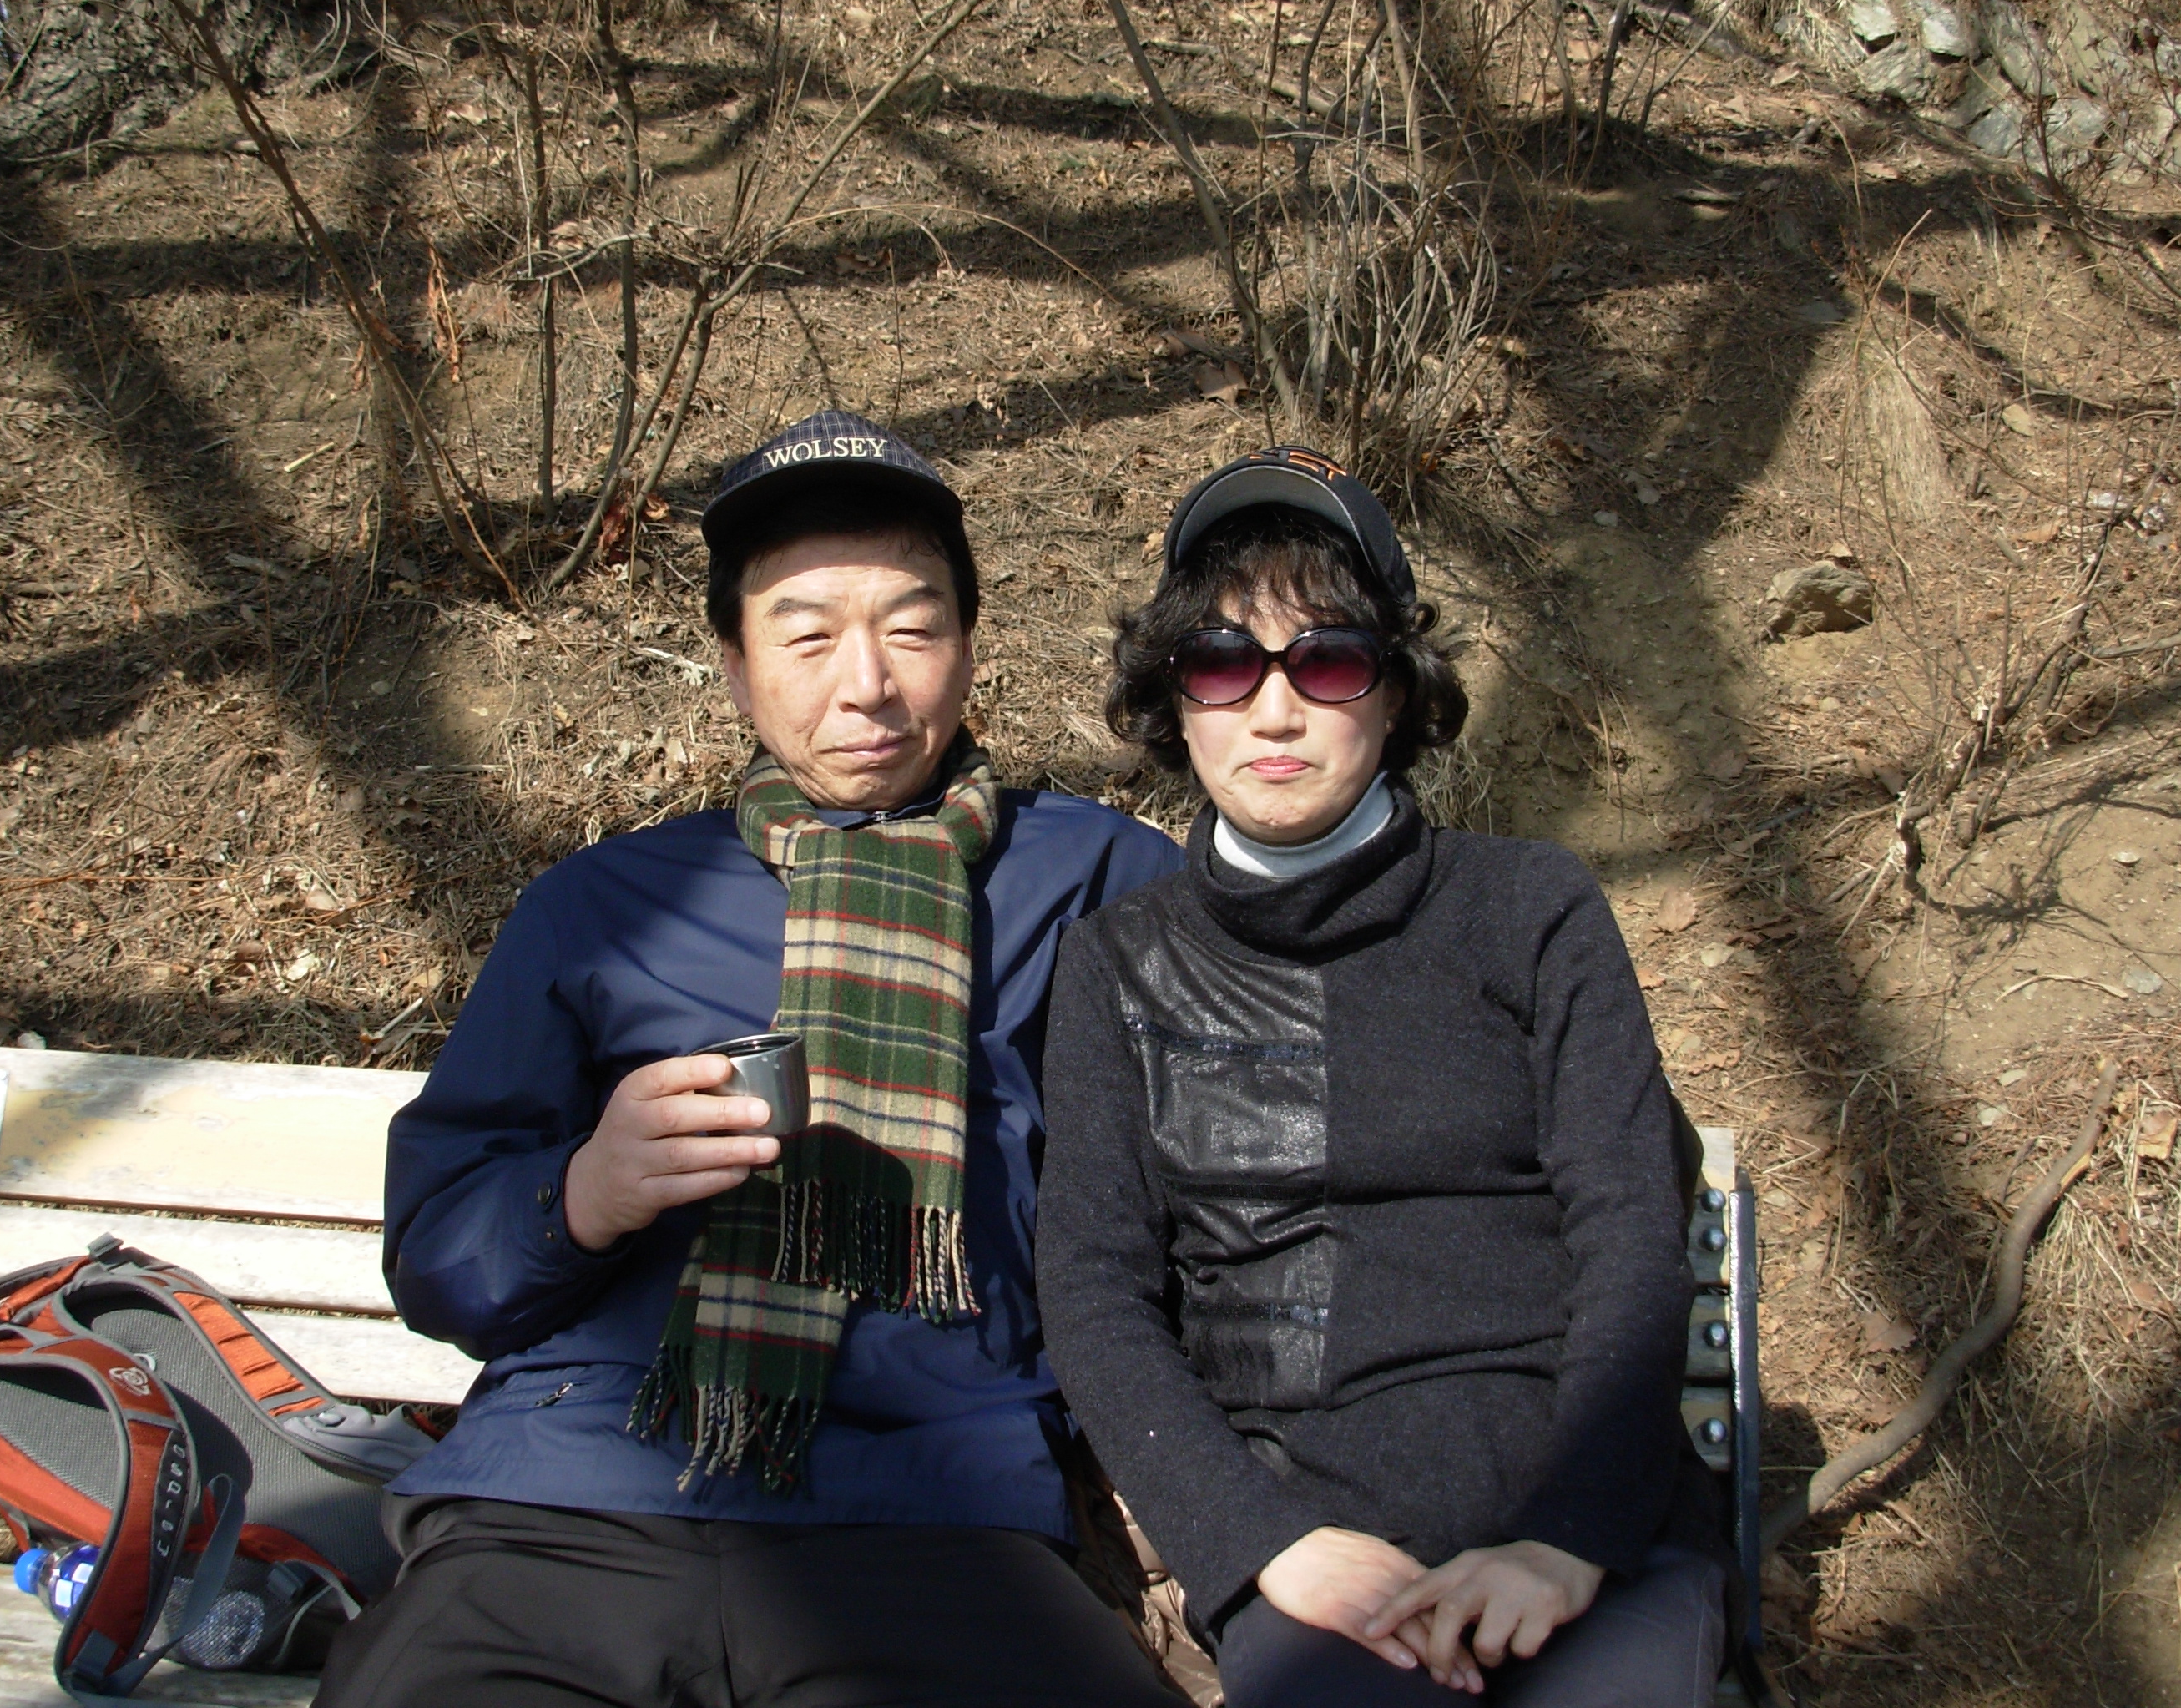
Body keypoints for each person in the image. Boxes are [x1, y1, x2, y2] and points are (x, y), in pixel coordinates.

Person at [317, 411, 1188, 1708]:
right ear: (734, 665)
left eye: (912, 628)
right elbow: (440, 1261)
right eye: (807, 636)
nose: (868, 685)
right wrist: (586, 1194)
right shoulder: (605, 906)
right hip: (574, 1490)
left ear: (968, 643)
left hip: (932, 1506)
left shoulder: (1094, 882)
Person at [1034, 447, 1728, 1708]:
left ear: (1398, 693)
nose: (1275, 713)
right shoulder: (1117, 967)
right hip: (1306, 1548)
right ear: (1176, 701)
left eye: (1329, 661)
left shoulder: (1530, 909)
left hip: (1579, 1524)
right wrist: (1261, 1547)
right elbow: (1093, 1295)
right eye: (1223, 665)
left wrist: (1566, 1537)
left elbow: (1631, 1227)